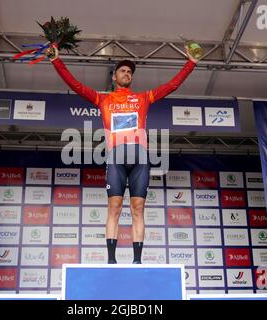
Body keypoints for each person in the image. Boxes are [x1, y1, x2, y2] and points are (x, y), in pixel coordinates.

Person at [50, 45, 197, 264]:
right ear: (114, 76)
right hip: (116, 158)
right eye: (122, 71)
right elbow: (76, 85)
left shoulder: (143, 98)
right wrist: (56, 61)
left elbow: (172, 85)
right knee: (114, 208)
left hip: (140, 159)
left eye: (130, 72)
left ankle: (137, 261)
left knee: (138, 209)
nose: (127, 74)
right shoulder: (103, 99)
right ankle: (111, 260)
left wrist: (191, 63)